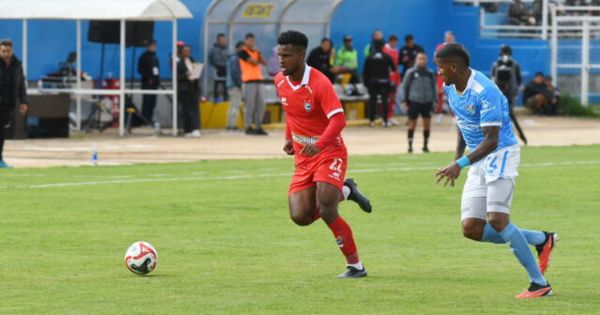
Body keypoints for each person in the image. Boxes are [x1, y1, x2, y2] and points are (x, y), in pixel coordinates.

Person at [435, 43, 557, 299]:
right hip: (476, 158)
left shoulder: (485, 90)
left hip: (500, 154)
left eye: (441, 67)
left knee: (498, 220)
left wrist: (460, 164)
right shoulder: (450, 88)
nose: (439, 72)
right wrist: (458, 157)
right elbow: (463, 124)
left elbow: (491, 139)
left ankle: (540, 283)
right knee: (471, 228)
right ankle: (541, 239)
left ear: (454, 66)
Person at [275, 30, 373, 278]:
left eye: (286, 55)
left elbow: (338, 120)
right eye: (279, 55)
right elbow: (291, 111)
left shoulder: (319, 83)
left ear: (300, 55)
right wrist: (289, 137)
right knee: (301, 216)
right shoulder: (280, 81)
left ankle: (355, 266)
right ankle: (346, 190)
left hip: (330, 152)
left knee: (327, 209)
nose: (281, 60)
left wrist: (318, 144)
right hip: (303, 158)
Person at [491, 45, 527, 144]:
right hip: (499, 93)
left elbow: (519, 79)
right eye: (504, 52)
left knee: (510, 114)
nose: (505, 55)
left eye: (506, 52)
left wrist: (520, 87)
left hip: (510, 92)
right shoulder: (496, 65)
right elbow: (493, 78)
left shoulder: (514, 65)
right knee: (496, 115)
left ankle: (521, 137)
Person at [0, 39, 28, 168]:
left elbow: (21, 84)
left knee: (2, 133)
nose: (6, 53)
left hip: (7, 104)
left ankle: (0, 160)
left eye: (8, 51)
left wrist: (23, 101)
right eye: (3, 51)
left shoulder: (17, 64)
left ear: (12, 50)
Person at [401, 52, 436, 153]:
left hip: (427, 101)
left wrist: (435, 100)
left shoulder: (430, 73)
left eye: (423, 59)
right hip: (414, 101)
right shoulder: (410, 72)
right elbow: (405, 87)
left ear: (426, 60)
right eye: (420, 59)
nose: (422, 61)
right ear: (416, 60)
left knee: (427, 124)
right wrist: (404, 101)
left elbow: (433, 87)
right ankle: (410, 146)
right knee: (412, 123)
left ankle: (425, 145)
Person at [238, 33, 268, 136]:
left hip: (259, 80)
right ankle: (248, 126)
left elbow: (264, 62)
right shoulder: (242, 52)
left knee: (261, 105)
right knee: (250, 105)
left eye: (253, 41)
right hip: (248, 81)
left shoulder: (256, 52)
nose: (252, 43)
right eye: (250, 41)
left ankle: (258, 126)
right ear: (246, 41)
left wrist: (258, 53)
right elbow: (254, 62)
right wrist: (256, 55)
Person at [363, 39, 395, 127]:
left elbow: (365, 72)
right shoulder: (387, 56)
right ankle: (385, 121)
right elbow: (393, 69)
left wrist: (366, 83)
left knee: (372, 101)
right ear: (383, 47)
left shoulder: (369, 57)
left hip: (372, 83)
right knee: (384, 101)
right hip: (384, 82)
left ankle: (371, 121)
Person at [177, 45, 201, 137]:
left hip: (193, 88)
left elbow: (197, 75)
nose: (187, 53)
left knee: (195, 109)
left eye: (188, 51)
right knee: (186, 110)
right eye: (185, 51)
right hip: (184, 89)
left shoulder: (193, 61)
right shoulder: (179, 64)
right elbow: (177, 77)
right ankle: (187, 130)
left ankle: (196, 128)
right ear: (181, 52)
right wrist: (186, 75)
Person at [434, 31, 456, 123]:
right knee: (440, 93)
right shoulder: (439, 47)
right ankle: (440, 114)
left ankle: (455, 115)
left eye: (451, 37)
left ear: (453, 38)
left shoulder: (457, 47)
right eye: (448, 37)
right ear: (445, 38)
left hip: (453, 74)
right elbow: (435, 59)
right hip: (441, 74)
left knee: (454, 94)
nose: (449, 38)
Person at [137, 40, 160, 124]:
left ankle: (150, 119)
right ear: (148, 47)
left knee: (152, 103)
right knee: (147, 101)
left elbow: (156, 70)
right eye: (152, 46)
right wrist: (148, 77)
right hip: (147, 83)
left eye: (155, 46)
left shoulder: (155, 56)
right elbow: (140, 70)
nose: (154, 48)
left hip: (155, 83)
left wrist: (157, 80)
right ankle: (144, 120)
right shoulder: (144, 56)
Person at [227, 41, 245, 131]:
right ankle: (232, 126)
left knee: (232, 105)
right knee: (235, 106)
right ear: (238, 48)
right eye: (242, 47)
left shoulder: (233, 58)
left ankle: (230, 124)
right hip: (235, 85)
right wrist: (240, 84)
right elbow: (235, 72)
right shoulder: (235, 58)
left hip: (232, 85)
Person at [383, 35, 401, 126]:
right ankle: (386, 117)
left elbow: (396, 65)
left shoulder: (396, 51)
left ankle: (391, 116)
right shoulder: (385, 50)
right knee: (387, 98)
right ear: (389, 41)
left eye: (395, 42)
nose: (394, 43)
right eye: (393, 41)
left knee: (393, 97)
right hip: (387, 77)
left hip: (395, 77)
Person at [208, 33, 229, 103]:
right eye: (221, 40)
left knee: (226, 85)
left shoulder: (226, 49)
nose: (223, 41)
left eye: (224, 40)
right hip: (217, 70)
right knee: (217, 85)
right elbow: (212, 60)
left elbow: (228, 58)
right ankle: (216, 100)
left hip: (226, 70)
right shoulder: (213, 50)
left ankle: (225, 100)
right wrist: (216, 66)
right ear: (217, 41)